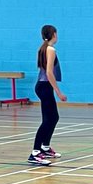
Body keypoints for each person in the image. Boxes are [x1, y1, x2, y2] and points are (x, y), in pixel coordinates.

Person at [28, 24, 67, 166]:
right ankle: (35, 152)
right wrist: (58, 92)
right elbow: (49, 72)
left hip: (44, 86)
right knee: (47, 120)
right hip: (44, 86)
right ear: (54, 34)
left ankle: (45, 147)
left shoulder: (44, 48)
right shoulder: (50, 50)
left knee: (53, 117)